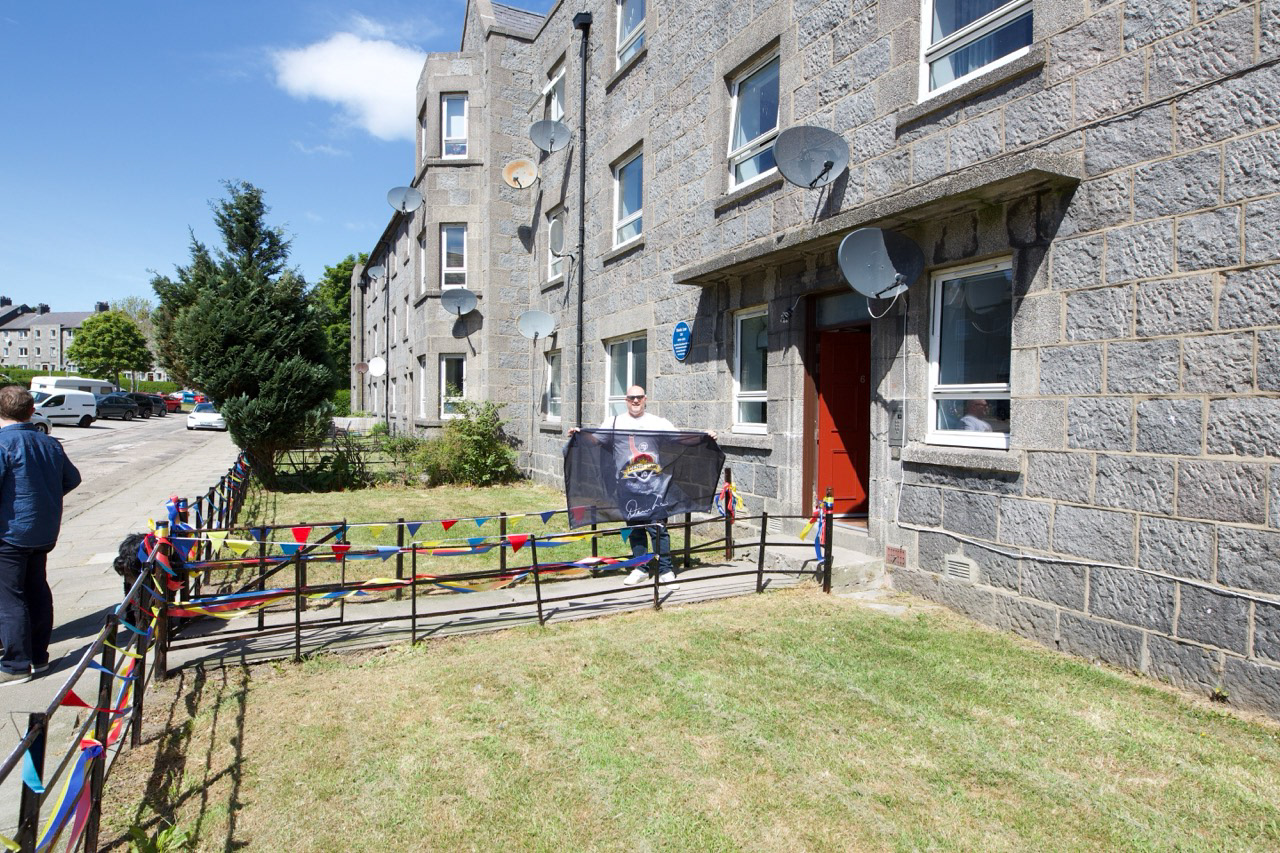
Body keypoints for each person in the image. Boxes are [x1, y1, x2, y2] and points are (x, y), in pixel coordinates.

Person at [569, 385, 715, 589]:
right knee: (635, 529)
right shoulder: (614, 422)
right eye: (631, 398)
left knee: (658, 529)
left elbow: (681, 438)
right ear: (626, 400)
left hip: (655, 487)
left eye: (639, 397)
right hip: (626, 487)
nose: (635, 401)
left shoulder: (657, 422)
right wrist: (579, 434)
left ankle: (665, 570)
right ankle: (640, 568)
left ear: (645, 399)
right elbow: (595, 440)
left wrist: (704, 436)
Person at [0, 385, 81, 685]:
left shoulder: (3, 444)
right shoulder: (50, 443)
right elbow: (72, 478)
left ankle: (15, 664)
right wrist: (44, 499)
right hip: (42, 531)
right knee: (36, 590)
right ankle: (38, 657)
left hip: (9, 533)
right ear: (32, 411)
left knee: (9, 598)